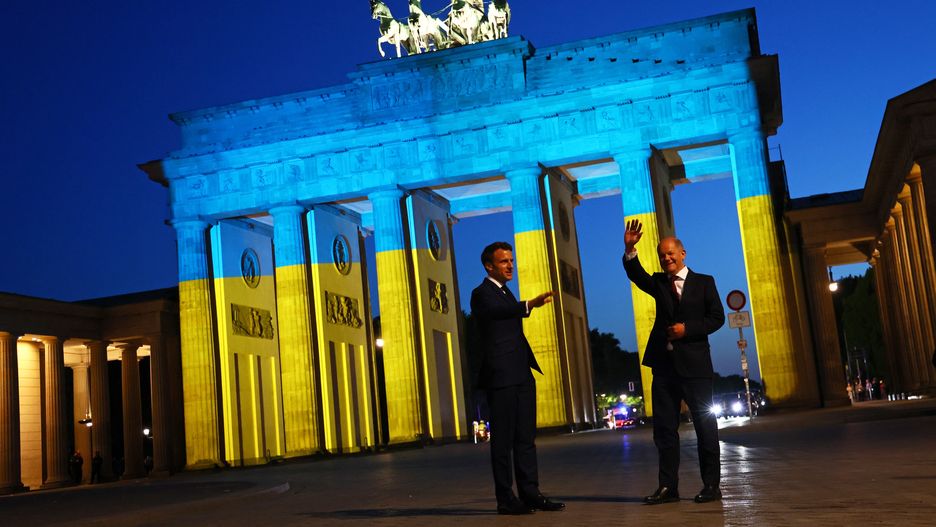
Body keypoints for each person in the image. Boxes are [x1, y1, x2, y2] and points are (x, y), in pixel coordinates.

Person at [621, 219, 726, 504]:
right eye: (662, 255)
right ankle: (668, 488)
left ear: (682, 254)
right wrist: (630, 249)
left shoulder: (705, 282)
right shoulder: (658, 283)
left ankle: (711, 486)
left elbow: (717, 318)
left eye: (670, 253)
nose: (666, 258)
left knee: (706, 428)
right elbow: (636, 274)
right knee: (664, 430)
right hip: (664, 369)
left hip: (696, 368)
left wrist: (687, 329)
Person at [470, 241, 564, 515]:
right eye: (503, 262)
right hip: (500, 376)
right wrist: (527, 304)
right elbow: (494, 314)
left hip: (521, 373)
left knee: (526, 438)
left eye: (511, 260)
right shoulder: (481, 293)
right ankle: (505, 498)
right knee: (502, 441)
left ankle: (531, 492)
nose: (511, 265)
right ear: (489, 266)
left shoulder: (506, 292)